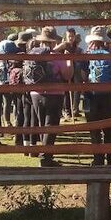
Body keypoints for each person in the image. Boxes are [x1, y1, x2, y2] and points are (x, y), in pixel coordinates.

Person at [27, 27, 66, 167]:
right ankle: (46, 158)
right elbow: (67, 75)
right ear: (53, 41)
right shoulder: (57, 56)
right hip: (54, 93)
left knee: (43, 124)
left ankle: (45, 154)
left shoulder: (32, 53)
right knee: (51, 125)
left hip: (35, 93)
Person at [84, 26, 111, 166]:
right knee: (109, 128)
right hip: (108, 95)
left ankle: (98, 159)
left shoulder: (86, 55)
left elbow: (82, 76)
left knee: (94, 128)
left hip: (90, 95)